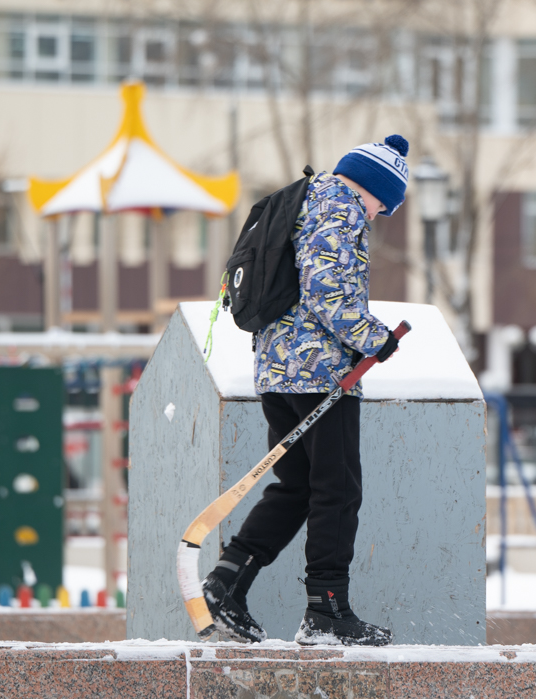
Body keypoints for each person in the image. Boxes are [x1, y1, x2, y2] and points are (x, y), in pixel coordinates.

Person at [202, 135, 410, 646]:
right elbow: (326, 287)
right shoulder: (340, 206)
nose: (380, 214)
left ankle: (228, 582)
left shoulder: (304, 201)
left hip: (276, 368)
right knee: (337, 490)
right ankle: (327, 612)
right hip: (321, 373)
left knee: (296, 487)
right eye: (385, 204)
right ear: (374, 189)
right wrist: (373, 338)